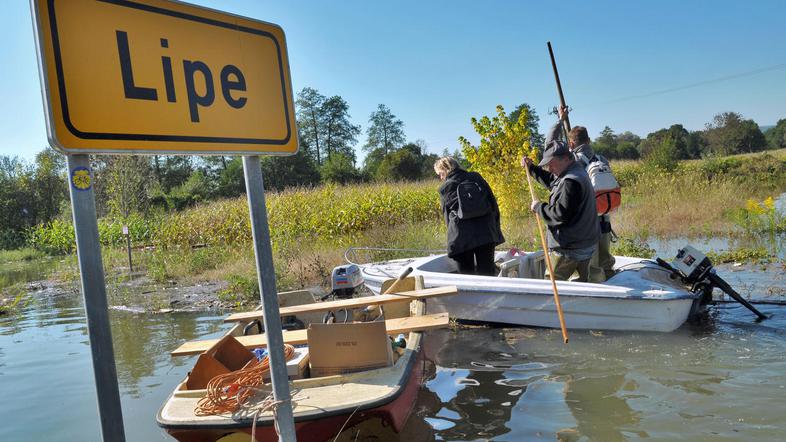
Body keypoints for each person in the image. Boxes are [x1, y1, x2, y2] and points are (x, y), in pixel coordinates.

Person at [546, 105, 616, 282]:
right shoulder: (601, 159)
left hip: (586, 225)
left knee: (589, 269)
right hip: (604, 219)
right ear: (589, 140)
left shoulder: (573, 161)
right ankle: (609, 284)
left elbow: (550, 144)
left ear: (570, 144)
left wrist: (561, 120)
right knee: (603, 263)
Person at [521, 139, 600, 282]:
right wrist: (531, 168)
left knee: (552, 288)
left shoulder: (570, 182)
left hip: (569, 251)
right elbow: (553, 181)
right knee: (579, 290)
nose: (549, 168)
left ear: (565, 158)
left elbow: (559, 215)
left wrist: (539, 207)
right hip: (583, 245)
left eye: (551, 164)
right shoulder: (575, 171)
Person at [434, 156, 504, 276]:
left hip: (461, 240)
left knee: (466, 278)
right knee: (488, 276)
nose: (441, 178)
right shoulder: (476, 177)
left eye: (440, 174)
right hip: (486, 235)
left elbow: (447, 218)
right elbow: (493, 205)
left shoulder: (445, 188)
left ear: (445, 170)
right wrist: (495, 232)